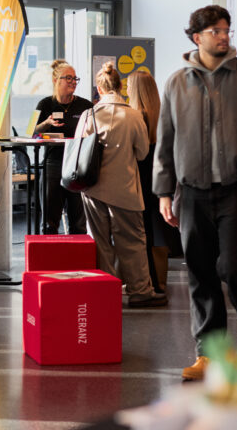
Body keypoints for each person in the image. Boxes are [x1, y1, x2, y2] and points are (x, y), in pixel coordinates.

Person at [154, 5, 237, 381]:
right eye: (215, 30)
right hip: (192, 192)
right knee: (200, 272)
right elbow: (165, 140)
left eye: (227, 29)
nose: (224, 36)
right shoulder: (176, 83)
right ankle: (209, 354)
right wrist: (164, 192)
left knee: (233, 265)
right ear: (197, 37)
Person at [79, 63, 167, 308]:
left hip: (93, 189)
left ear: (99, 89)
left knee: (100, 242)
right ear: (120, 87)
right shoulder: (133, 116)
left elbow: (79, 150)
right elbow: (142, 153)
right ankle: (140, 291)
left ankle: (105, 290)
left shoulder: (88, 115)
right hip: (125, 188)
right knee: (133, 241)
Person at [34, 60, 93, 234]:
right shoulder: (44, 104)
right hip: (53, 164)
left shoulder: (86, 106)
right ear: (55, 80)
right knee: (49, 221)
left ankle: (77, 251)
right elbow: (31, 132)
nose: (73, 82)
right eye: (68, 78)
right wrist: (46, 123)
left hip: (78, 165)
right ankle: (49, 250)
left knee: (79, 222)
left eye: (75, 78)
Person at [126, 70, 170, 293]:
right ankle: (158, 280)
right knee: (157, 232)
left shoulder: (134, 117)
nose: (126, 90)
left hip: (139, 179)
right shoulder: (162, 115)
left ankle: (145, 280)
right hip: (159, 180)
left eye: (128, 87)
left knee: (140, 233)